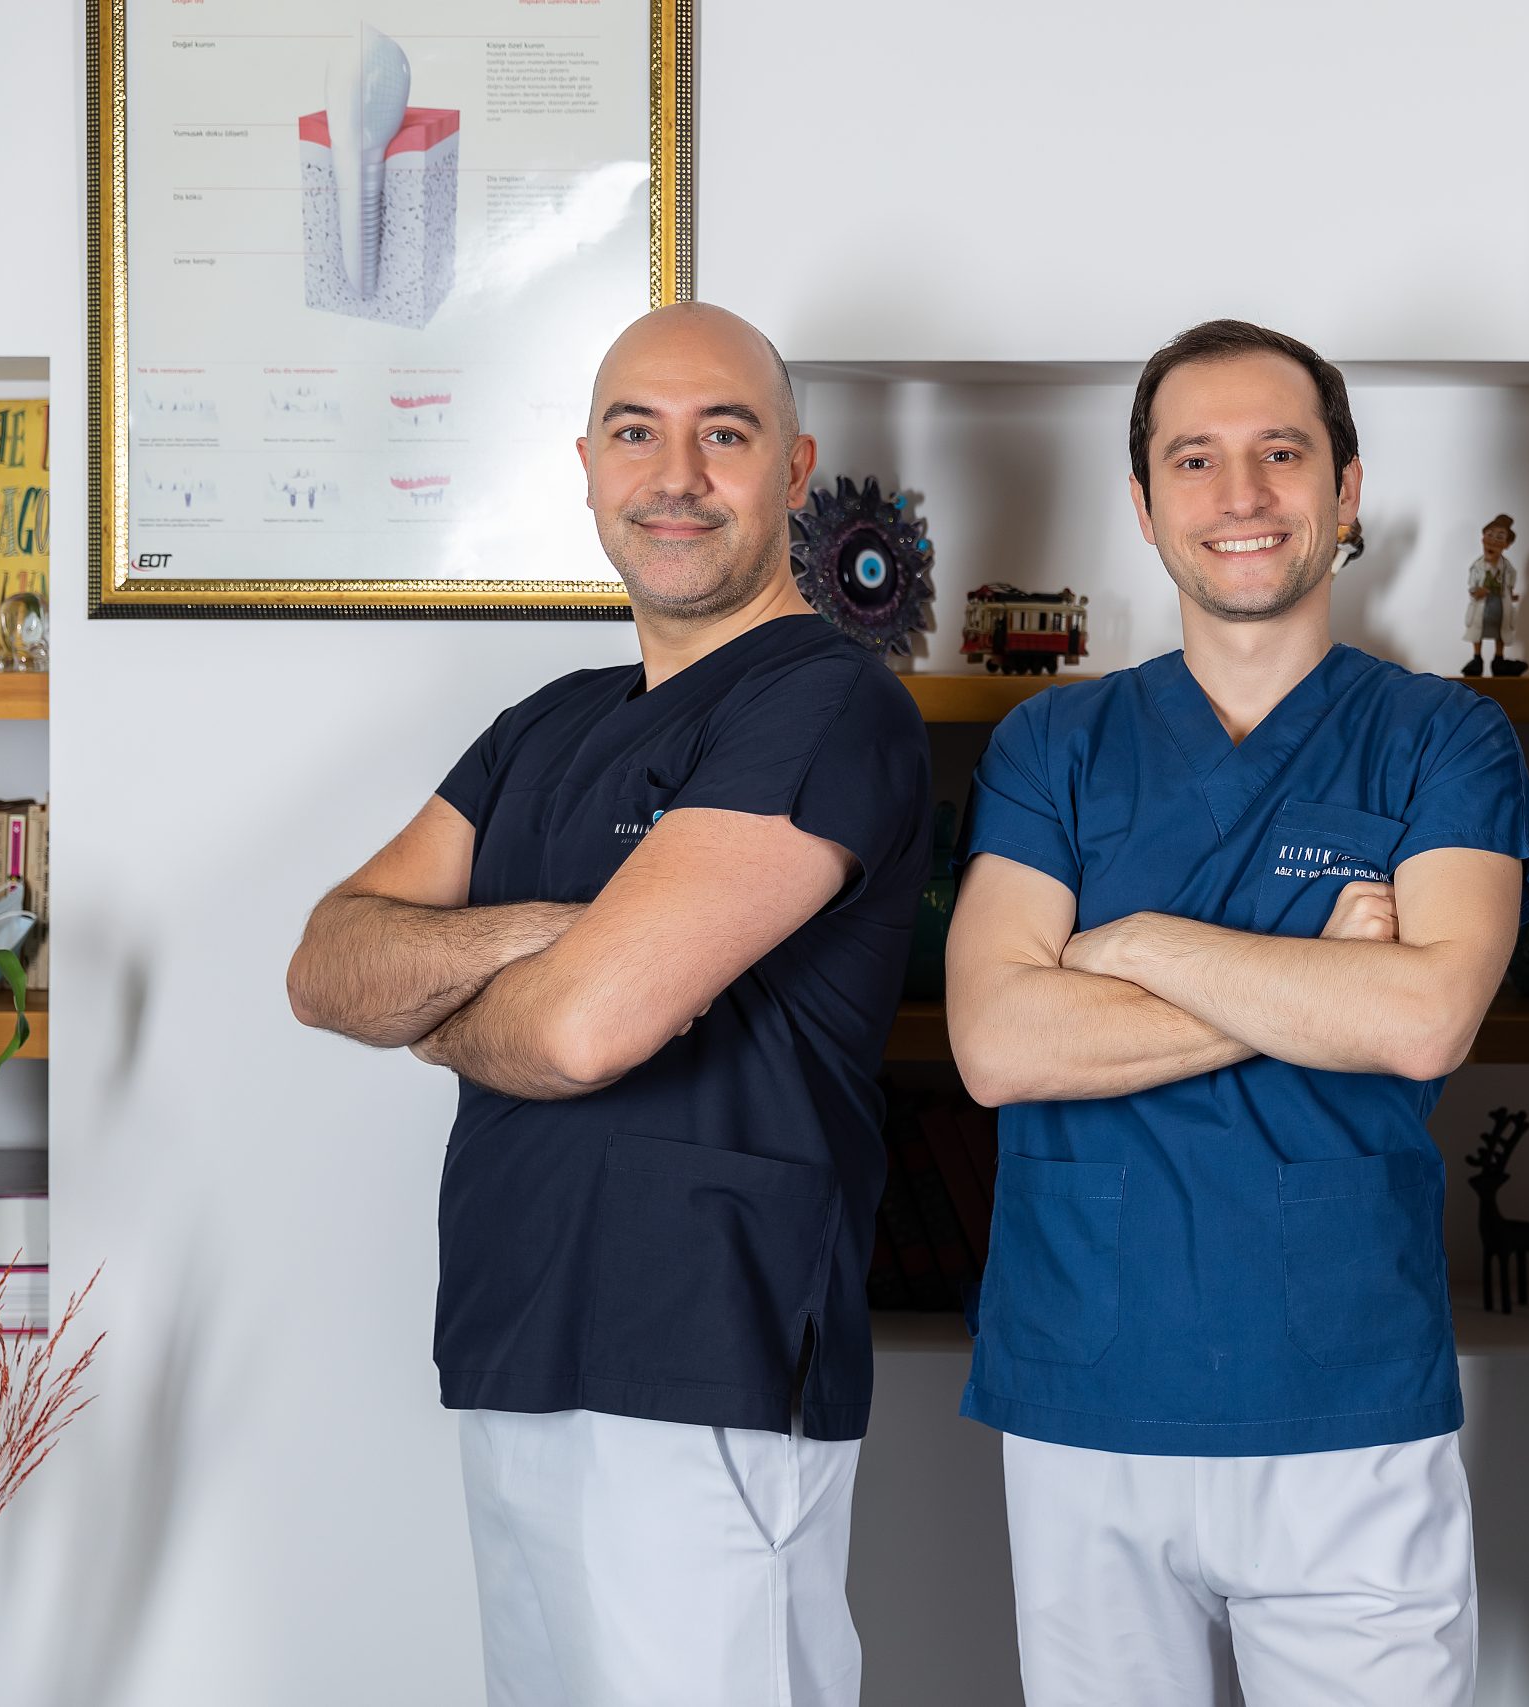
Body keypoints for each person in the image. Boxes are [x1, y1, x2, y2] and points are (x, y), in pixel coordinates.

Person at [286, 302, 928, 1707]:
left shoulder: (826, 705)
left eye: (725, 434)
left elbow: (583, 1031)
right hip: (517, 1338)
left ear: (795, 468)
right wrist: (540, 932)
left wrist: (438, 1004)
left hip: (711, 1361)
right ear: (586, 466)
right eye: (636, 432)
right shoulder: (545, 724)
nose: (675, 474)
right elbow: (327, 964)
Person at [946, 318, 1529, 1707]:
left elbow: (1423, 1019)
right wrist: (1308, 976)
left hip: (1346, 1399)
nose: (1241, 495)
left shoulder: (1444, 735)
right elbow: (997, 1041)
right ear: (1144, 504)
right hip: (1086, 1396)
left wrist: (1132, 946)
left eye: (1282, 453)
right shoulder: (1053, 744)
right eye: (1194, 460)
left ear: (1346, 489)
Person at [1461, 512, 1525, 676]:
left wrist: (1511, 595)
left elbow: (1509, 583)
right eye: (1490, 535)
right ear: (1483, 538)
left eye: (1500, 537)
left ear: (1507, 544)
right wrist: (1476, 591)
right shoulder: (1477, 567)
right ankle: (1477, 658)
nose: (1493, 541)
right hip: (1482, 607)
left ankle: (1499, 659)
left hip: (1500, 608)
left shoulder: (1507, 568)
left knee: (1501, 633)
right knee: (1477, 631)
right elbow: (1472, 585)